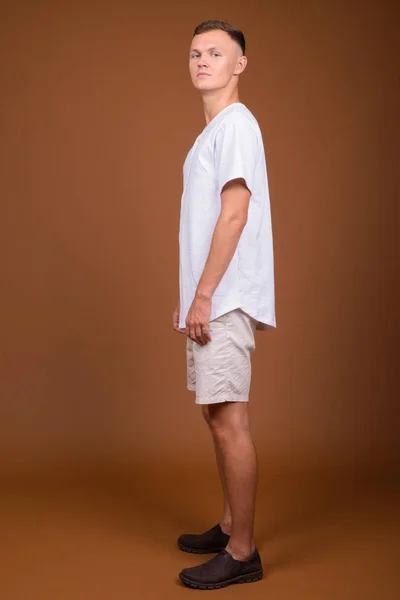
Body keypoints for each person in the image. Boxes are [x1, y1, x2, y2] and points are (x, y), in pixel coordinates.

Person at [172, 19, 276, 590]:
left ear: (239, 65)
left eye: (216, 52)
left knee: (230, 419)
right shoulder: (212, 132)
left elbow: (234, 214)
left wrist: (206, 295)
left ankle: (242, 552)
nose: (202, 60)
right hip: (210, 299)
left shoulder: (236, 125)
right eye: (195, 53)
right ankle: (231, 522)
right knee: (216, 415)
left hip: (224, 298)